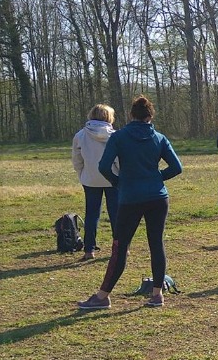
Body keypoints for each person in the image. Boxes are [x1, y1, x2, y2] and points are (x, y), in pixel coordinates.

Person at [78, 96, 183, 309]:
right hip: (158, 197)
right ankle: (157, 294)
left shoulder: (119, 137)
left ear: (131, 115)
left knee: (120, 246)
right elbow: (176, 167)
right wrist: (156, 178)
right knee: (156, 244)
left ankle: (102, 296)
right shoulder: (159, 138)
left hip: (130, 198)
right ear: (150, 116)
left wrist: (118, 182)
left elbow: (104, 166)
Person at [72, 104, 120, 261]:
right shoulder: (115, 136)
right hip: (113, 178)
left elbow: (77, 160)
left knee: (91, 214)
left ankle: (89, 249)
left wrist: (82, 174)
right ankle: (120, 248)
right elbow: (119, 159)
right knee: (116, 214)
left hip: (90, 178)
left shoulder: (80, 135)